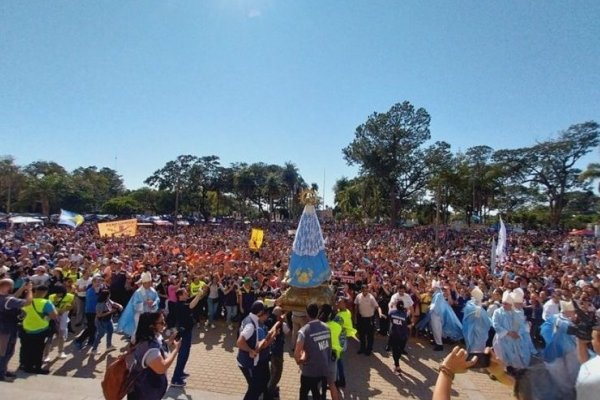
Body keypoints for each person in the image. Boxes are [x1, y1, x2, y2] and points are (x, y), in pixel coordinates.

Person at [127, 312, 181, 400]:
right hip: (143, 393)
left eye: (164, 321)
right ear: (151, 326)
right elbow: (162, 367)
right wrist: (176, 350)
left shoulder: (152, 336)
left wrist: (169, 341)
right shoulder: (149, 348)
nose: (165, 324)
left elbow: (160, 345)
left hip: (147, 389)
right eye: (162, 322)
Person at [236, 300, 281, 400]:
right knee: (254, 389)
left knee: (260, 383)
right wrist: (250, 350)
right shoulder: (251, 325)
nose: (267, 316)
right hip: (249, 363)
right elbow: (239, 342)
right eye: (265, 313)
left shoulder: (251, 319)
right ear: (260, 313)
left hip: (254, 362)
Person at [294, 303, 339, 400]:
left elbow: (297, 355)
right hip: (323, 369)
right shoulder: (326, 328)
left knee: (304, 394)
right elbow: (328, 348)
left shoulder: (304, 331)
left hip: (309, 371)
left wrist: (301, 360)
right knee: (317, 393)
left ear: (306, 313)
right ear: (318, 312)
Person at [169, 286, 205, 387]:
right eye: (185, 293)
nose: (187, 294)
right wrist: (198, 295)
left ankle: (180, 373)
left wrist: (199, 293)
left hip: (187, 331)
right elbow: (191, 305)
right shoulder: (180, 305)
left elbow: (191, 300)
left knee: (185, 353)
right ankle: (175, 379)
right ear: (180, 296)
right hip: (184, 332)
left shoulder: (182, 302)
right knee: (183, 355)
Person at [0, 278, 32, 382]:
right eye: (11, 285)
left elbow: (12, 298)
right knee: (5, 352)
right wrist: (30, 290)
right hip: (7, 330)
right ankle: (1, 375)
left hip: (4, 328)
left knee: (4, 352)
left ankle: (3, 370)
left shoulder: (5, 298)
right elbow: (27, 302)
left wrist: (23, 288)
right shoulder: (8, 300)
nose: (12, 287)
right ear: (7, 287)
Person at [20, 284, 57, 374]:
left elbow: (21, 314)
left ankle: (25, 365)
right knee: (38, 349)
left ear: (35, 291)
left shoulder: (26, 301)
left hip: (26, 328)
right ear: (45, 293)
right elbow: (54, 316)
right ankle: (36, 367)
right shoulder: (46, 302)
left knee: (25, 348)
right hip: (40, 329)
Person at [118, 271, 159, 343]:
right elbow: (134, 304)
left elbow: (157, 299)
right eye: (148, 282)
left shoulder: (153, 290)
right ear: (144, 283)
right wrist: (145, 303)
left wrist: (153, 303)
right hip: (140, 315)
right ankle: (136, 342)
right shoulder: (138, 292)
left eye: (150, 282)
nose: (150, 284)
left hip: (150, 313)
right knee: (138, 329)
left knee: (150, 329)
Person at [45, 283, 75, 360]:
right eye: (56, 293)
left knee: (61, 336)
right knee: (49, 337)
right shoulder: (51, 297)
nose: (58, 294)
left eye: (60, 293)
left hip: (63, 318)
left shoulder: (70, 296)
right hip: (52, 318)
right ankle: (46, 355)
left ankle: (60, 352)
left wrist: (64, 310)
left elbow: (72, 306)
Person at [74, 273, 103, 350]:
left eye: (100, 281)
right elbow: (93, 302)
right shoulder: (90, 290)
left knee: (94, 327)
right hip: (90, 312)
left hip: (97, 312)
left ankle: (91, 340)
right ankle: (79, 340)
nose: (98, 283)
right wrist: (97, 293)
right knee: (91, 327)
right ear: (92, 282)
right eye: (96, 282)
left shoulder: (100, 290)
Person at [265, 306, 289, 399]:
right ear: (279, 315)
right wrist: (284, 321)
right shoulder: (282, 324)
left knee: (272, 370)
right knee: (277, 374)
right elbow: (288, 332)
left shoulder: (267, 322)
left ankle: (271, 387)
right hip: (278, 352)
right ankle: (270, 392)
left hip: (270, 350)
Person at [354, 284, 384, 356]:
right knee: (361, 335)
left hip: (369, 319)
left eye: (367, 290)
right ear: (361, 290)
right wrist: (355, 317)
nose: (365, 292)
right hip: (361, 318)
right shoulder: (358, 296)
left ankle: (369, 349)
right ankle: (362, 348)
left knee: (370, 336)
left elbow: (377, 307)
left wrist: (380, 313)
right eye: (364, 290)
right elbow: (356, 306)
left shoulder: (371, 297)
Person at [91, 288, 122, 354]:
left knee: (111, 331)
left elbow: (113, 303)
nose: (110, 296)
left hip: (108, 319)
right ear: (106, 296)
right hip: (101, 321)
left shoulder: (107, 300)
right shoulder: (100, 304)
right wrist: (111, 312)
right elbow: (99, 315)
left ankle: (109, 346)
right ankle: (94, 349)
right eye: (109, 295)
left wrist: (119, 305)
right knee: (100, 334)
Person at [462, 286, 492, 353]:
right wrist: (490, 322)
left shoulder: (469, 303)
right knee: (476, 349)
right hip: (476, 331)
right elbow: (483, 319)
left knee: (471, 346)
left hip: (471, 329)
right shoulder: (476, 308)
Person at [388, 300, 410, 375]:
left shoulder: (391, 313)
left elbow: (390, 317)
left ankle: (396, 364)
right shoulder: (405, 314)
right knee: (399, 351)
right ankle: (396, 366)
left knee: (395, 351)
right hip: (403, 336)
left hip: (394, 335)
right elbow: (409, 324)